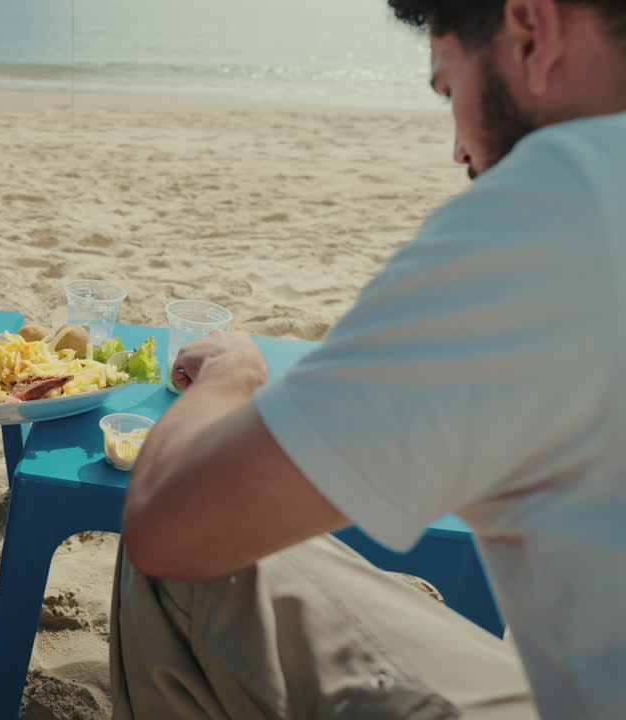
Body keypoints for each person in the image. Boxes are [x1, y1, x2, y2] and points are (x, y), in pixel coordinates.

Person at [113, 0, 626, 718]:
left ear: (532, 32)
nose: (458, 151)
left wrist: (233, 377)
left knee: (182, 549)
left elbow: (167, 530)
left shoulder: (562, 205)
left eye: (450, 91)